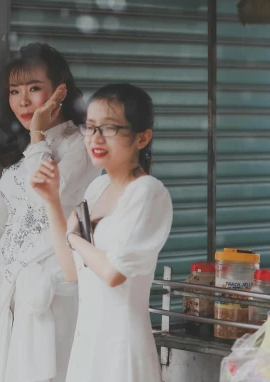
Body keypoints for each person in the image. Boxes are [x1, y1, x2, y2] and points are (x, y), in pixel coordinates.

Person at [0, 43, 101, 382]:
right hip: (4, 292)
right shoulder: (23, 150)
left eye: (33, 89)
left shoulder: (82, 143)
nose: (22, 101)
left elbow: (48, 195)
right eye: (14, 91)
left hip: (49, 292)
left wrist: (37, 134)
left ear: (60, 90)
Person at [31, 83, 173, 382]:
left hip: (122, 350)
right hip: (86, 344)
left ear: (142, 137)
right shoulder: (97, 187)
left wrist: (74, 238)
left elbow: (113, 272)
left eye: (109, 129)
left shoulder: (148, 192)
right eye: (91, 127)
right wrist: (52, 201)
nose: (95, 138)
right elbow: (72, 271)